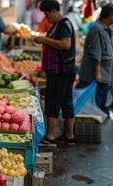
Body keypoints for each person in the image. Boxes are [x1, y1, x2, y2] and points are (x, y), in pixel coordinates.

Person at [34, 0, 76, 145]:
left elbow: (66, 44)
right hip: (62, 70)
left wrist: (45, 40)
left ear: (53, 10)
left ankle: (51, 136)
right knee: (66, 102)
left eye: (46, 14)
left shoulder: (63, 24)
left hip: (60, 70)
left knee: (53, 102)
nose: (46, 18)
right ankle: (69, 136)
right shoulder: (58, 25)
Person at [78, 3, 113, 115]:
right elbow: (95, 53)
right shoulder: (96, 28)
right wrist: (98, 73)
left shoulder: (105, 29)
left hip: (104, 76)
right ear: (109, 16)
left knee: (100, 107)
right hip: (95, 77)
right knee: (93, 109)